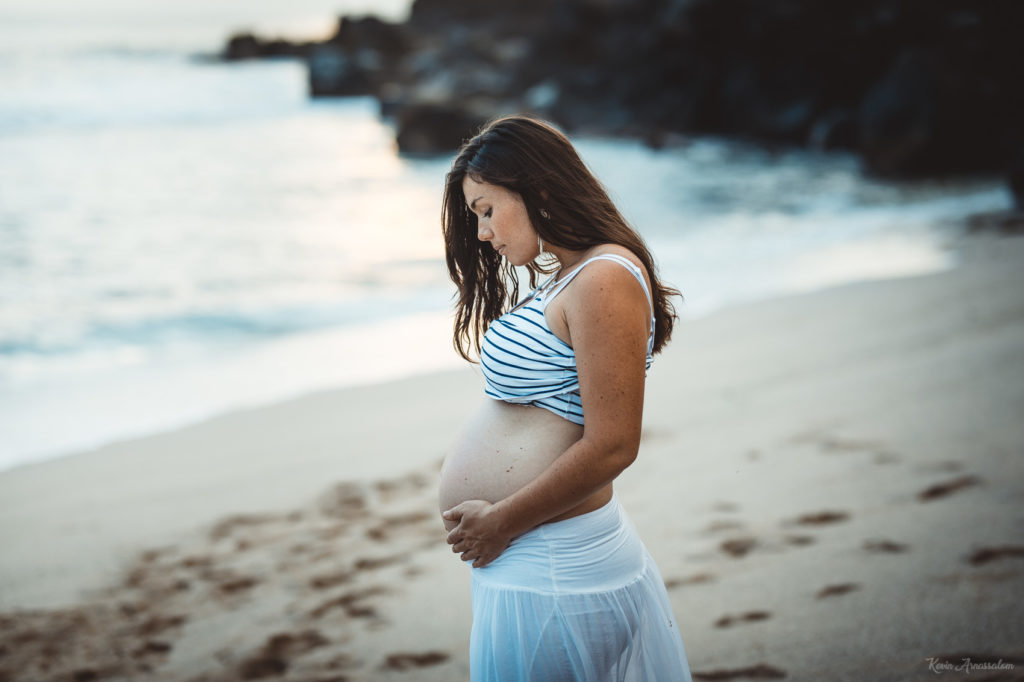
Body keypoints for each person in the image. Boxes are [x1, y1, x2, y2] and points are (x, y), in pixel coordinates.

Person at [437, 115, 693, 681]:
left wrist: (502, 520)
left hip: (559, 570)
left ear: (540, 190)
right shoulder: (572, 275)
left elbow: (613, 446)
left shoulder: (603, 278)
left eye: (487, 209)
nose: (482, 233)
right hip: (541, 563)